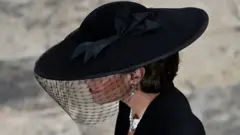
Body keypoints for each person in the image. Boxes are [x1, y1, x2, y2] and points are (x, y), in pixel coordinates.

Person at [34, 1, 209, 135]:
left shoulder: (180, 129)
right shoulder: (130, 106)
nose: (89, 82)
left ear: (134, 76)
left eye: (100, 74)